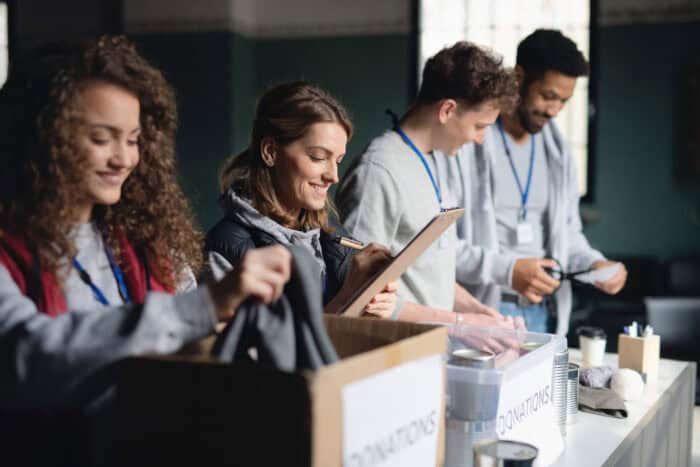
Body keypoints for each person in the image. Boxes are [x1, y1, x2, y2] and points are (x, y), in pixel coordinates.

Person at [0, 36, 293, 413]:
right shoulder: (8, 247)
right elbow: (28, 356)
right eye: (101, 139)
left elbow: (197, 325)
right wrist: (205, 307)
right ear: (42, 139)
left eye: (134, 140)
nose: (123, 159)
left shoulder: (147, 237)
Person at [442, 29, 628, 334]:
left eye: (564, 102)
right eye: (547, 96)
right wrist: (509, 270)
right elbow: (443, 246)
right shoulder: (467, 144)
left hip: (544, 312)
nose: (553, 110)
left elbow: (568, 234)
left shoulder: (558, 153)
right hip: (485, 309)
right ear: (518, 77)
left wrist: (594, 264)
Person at [336, 42, 521, 327]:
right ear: (447, 110)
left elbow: (428, 269)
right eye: (479, 126)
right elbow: (361, 294)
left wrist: (475, 309)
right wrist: (460, 321)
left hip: (427, 349)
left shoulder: (433, 159)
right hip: (390, 352)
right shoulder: (378, 170)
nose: (481, 140)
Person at [206, 81, 397, 318]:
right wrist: (349, 297)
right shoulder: (226, 248)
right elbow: (261, 352)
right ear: (271, 152)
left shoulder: (334, 234)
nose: (333, 176)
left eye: (337, 160)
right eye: (318, 157)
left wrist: (370, 307)